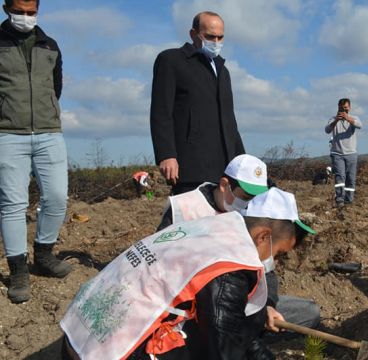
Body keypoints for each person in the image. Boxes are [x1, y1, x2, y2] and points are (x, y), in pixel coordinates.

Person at [61, 188, 316, 360]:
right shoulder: (231, 263)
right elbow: (223, 347)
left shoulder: (212, 226)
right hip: (110, 352)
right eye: (279, 253)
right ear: (263, 236)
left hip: (77, 335)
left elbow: (237, 328)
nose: (274, 261)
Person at [157, 154, 321, 339]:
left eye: (256, 197)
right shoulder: (184, 208)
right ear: (224, 185)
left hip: (242, 302)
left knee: (307, 313)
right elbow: (161, 268)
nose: (250, 202)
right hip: (194, 307)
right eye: (246, 196)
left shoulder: (254, 220)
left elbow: (267, 271)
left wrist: (267, 305)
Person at [0, 0, 71, 304]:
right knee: (13, 204)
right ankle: (18, 270)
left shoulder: (50, 45)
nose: (26, 17)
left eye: (31, 12)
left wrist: (45, 114)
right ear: (6, 8)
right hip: (7, 135)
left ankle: (43, 254)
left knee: (56, 197)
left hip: (48, 133)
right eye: (20, 11)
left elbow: (56, 87)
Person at [150, 11, 244, 195]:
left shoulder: (223, 72)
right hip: (191, 165)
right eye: (210, 36)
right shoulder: (171, 61)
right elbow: (161, 111)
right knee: (189, 222)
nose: (216, 42)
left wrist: (241, 162)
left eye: (220, 37)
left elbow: (229, 122)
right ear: (193, 34)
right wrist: (167, 154)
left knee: (222, 222)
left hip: (225, 169)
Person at [325, 98, 362, 207]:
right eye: (341, 108)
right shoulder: (332, 119)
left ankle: (349, 199)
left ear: (349, 108)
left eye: (345, 108)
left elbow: (360, 125)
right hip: (337, 154)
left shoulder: (354, 118)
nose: (343, 110)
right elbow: (327, 130)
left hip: (351, 153)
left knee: (350, 177)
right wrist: (336, 120)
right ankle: (340, 199)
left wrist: (348, 119)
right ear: (338, 108)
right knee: (340, 177)